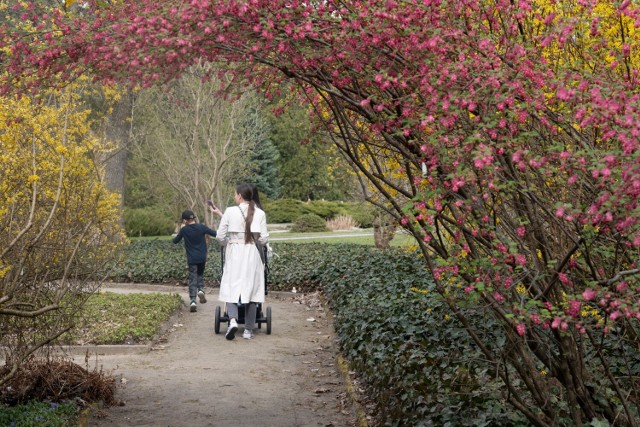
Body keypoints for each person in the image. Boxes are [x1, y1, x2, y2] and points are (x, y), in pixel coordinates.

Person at [216, 183, 268, 340]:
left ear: (239, 195)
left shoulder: (230, 211)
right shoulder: (259, 213)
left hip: (235, 252)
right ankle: (248, 330)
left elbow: (220, 236)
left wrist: (227, 243)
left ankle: (232, 320)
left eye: (235, 194)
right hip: (251, 253)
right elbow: (264, 239)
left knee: (231, 287)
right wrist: (256, 240)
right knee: (251, 291)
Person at [172, 209, 221, 312]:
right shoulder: (201, 227)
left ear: (185, 220)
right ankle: (201, 289)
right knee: (200, 274)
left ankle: (193, 300)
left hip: (192, 259)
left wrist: (179, 231)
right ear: (193, 218)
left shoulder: (184, 230)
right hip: (202, 257)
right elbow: (215, 233)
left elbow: (175, 241)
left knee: (192, 277)